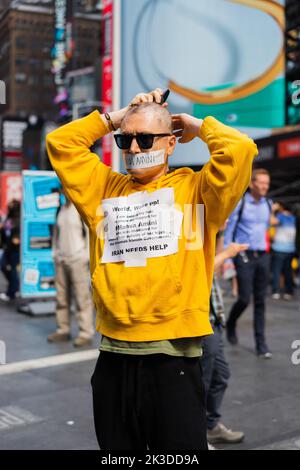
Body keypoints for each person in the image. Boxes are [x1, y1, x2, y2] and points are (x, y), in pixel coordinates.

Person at [46, 88, 258, 451]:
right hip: (113, 357)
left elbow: (240, 150)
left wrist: (197, 125)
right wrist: (120, 115)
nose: (133, 149)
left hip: (174, 359)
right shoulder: (104, 189)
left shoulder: (198, 191)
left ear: (171, 143)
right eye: (125, 140)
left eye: (145, 139)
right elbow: (61, 143)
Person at [202, 228, 248, 445]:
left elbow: (215, 270)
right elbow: (204, 267)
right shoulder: (190, 232)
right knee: (200, 381)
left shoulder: (207, 232)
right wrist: (229, 252)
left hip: (215, 318)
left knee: (220, 375)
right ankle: (195, 434)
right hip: (202, 321)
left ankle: (211, 426)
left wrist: (219, 232)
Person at [224, 168, 273, 358]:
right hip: (243, 255)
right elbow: (229, 232)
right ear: (252, 183)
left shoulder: (268, 204)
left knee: (261, 301)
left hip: (263, 256)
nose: (264, 187)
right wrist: (228, 258)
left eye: (267, 184)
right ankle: (231, 323)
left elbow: (265, 229)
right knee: (244, 298)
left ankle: (261, 344)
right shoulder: (242, 203)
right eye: (261, 183)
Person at [47, 189, 94, 347]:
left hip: (77, 259)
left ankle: (85, 332)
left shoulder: (80, 209)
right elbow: (56, 234)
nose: (65, 192)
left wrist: (86, 256)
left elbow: (89, 234)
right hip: (61, 259)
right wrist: (55, 253)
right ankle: (63, 330)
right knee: (61, 297)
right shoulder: (60, 210)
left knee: (82, 297)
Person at [271, 202, 297, 300]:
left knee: (277, 271)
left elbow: (271, 221)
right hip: (290, 249)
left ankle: (276, 291)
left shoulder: (280, 216)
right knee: (288, 271)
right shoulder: (293, 218)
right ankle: (288, 291)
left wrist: (272, 210)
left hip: (279, 248)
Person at [0, 199, 21, 301]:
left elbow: (20, 232)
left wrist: (18, 238)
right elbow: (5, 229)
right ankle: (15, 285)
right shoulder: (9, 217)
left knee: (13, 270)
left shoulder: (19, 218)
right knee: (3, 265)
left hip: (15, 249)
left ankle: (11, 292)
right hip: (7, 247)